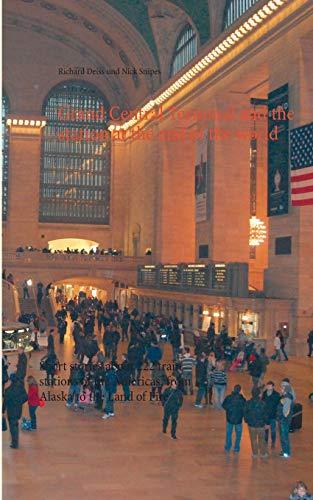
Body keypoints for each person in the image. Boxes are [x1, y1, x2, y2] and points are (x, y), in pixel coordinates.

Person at [3, 373, 28, 449]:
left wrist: (2, 410)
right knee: (15, 425)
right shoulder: (21, 388)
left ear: (11, 380)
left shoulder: (8, 390)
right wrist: (19, 402)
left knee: (13, 427)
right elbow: (26, 397)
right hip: (18, 410)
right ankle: (15, 442)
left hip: (11, 411)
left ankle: (15, 443)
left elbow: (5, 402)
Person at [244, 387, 268, 458]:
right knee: (262, 439)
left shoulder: (248, 403)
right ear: (259, 394)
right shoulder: (263, 403)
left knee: (253, 439)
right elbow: (265, 414)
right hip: (261, 425)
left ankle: (255, 453)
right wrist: (266, 422)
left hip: (251, 425)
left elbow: (245, 413)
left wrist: (247, 420)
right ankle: (263, 453)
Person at [222, 384, 246, 453]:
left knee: (229, 433)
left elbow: (224, 405)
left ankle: (228, 447)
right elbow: (245, 408)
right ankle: (236, 448)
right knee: (238, 434)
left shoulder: (229, 397)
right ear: (240, 391)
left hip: (229, 418)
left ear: (233, 389)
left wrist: (229, 410)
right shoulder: (242, 399)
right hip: (238, 419)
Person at [277, 382, 294, 458]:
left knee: (284, 436)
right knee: (283, 436)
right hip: (282, 419)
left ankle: (286, 452)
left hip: (284, 420)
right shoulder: (285, 396)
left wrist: (282, 403)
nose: (281, 389)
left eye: (282, 388)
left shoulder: (287, 398)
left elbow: (285, 412)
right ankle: (284, 450)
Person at [262, 381, 280, 449]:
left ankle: (273, 442)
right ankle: (265, 441)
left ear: (273, 387)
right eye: (267, 386)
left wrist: (277, 415)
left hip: (272, 415)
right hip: (266, 415)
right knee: (266, 430)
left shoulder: (276, 395)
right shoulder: (264, 394)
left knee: (273, 430)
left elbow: (278, 405)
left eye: (269, 386)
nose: (268, 387)